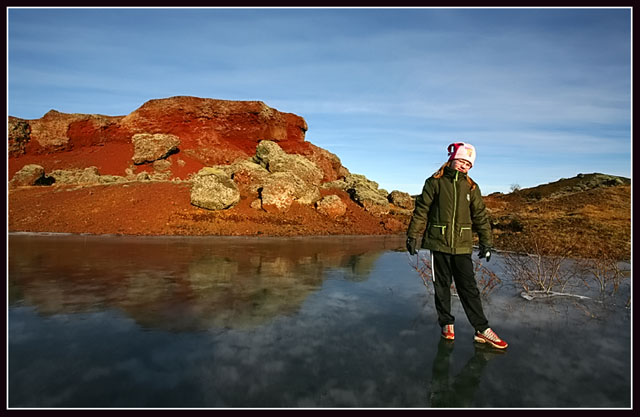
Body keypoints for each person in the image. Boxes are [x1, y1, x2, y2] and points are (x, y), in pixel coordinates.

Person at [406, 142, 508, 349]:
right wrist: (413, 236)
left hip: (462, 245)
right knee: (441, 286)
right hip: (439, 242)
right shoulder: (434, 183)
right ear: (452, 159)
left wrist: (486, 241)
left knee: (469, 287)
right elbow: (422, 210)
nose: (464, 166)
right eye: (461, 161)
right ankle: (446, 324)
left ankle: (482, 329)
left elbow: (479, 215)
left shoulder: (471, 187)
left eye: (468, 164)